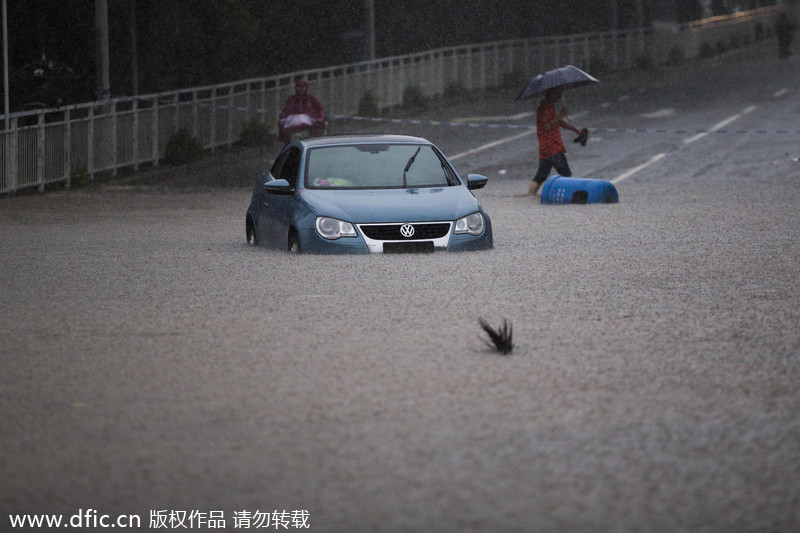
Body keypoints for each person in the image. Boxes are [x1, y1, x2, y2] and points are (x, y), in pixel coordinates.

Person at [528, 86, 586, 196]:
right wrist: (562, 114)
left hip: (546, 149)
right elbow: (548, 126)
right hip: (552, 147)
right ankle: (569, 196)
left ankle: (530, 196)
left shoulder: (549, 106)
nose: (560, 95)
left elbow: (559, 122)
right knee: (566, 174)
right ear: (551, 93)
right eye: (558, 92)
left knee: (541, 176)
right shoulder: (545, 107)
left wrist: (576, 131)